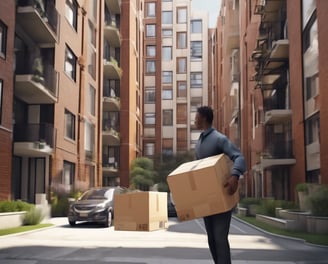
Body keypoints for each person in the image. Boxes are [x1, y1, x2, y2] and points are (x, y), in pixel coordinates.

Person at [194, 106, 246, 264]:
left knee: (220, 238)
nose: (194, 120)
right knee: (211, 239)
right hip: (207, 199)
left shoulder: (219, 139)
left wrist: (234, 176)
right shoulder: (199, 141)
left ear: (203, 118)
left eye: (196, 117)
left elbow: (239, 157)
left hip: (223, 196)